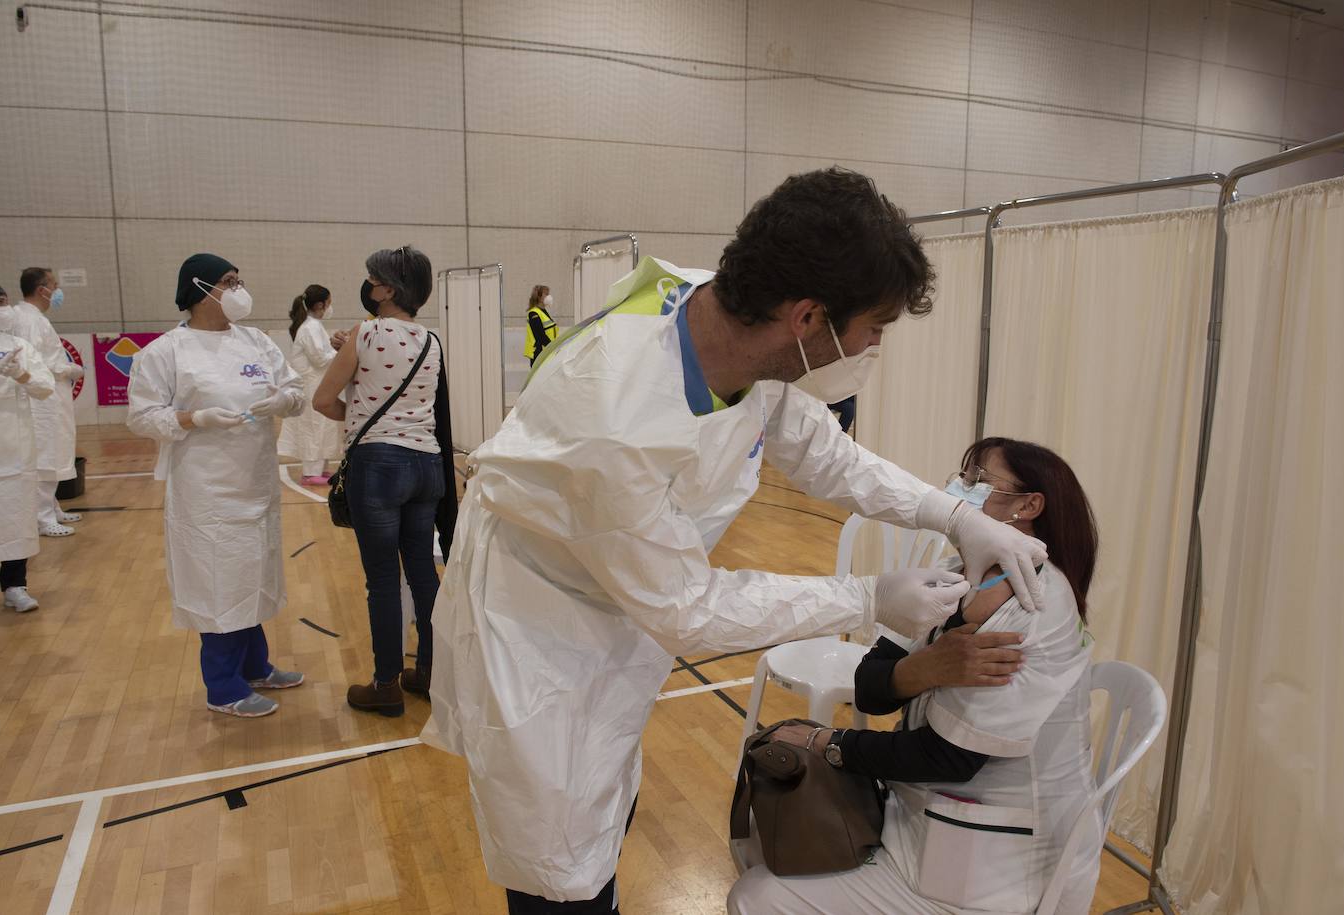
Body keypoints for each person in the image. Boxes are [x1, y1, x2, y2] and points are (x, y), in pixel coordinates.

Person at [424, 168, 1048, 911]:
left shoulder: (725, 319)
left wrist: (954, 516)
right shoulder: (615, 421)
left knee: (603, 809)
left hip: (614, 604)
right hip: (542, 631)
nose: (875, 345)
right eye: (873, 328)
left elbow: (824, 452)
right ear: (810, 318)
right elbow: (688, 606)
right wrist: (866, 595)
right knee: (558, 859)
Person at [728, 437, 1100, 915]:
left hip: (996, 869)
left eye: (976, 481)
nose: (957, 490)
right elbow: (869, 689)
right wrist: (924, 668)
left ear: (1029, 505)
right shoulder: (954, 573)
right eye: (961, 477)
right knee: (768, 844)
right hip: (925, 820)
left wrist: (829, 743)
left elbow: (950, 758)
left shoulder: (1033, 608)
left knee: (755, 898)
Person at [127, 253, 307, 718]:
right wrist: (194, 418)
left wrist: (281, 401)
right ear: (199, 287)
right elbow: (142, 416)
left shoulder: (256, 341)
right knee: (220, 581)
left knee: (253, 575)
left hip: (255, 481)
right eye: (229, 281)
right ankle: (223, 688)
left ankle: (256, 666)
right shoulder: (167, 350)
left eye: (239, 279)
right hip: (205, 490)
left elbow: (294, 390)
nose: (238, 289)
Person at [313, 246, 459, 717]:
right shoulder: (431, 340)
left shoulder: (366, 332)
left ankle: (386, 684)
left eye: (372, 279)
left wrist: (357, 420)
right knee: (422, 573)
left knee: (382, 580)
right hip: (427, 467)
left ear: (388, 290)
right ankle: (431, 674)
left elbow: (322, 399)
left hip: (379, 466)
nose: (368, 285)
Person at [0, 267, 84, 537]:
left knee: (53, 451)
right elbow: (36, 361)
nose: (57, 290)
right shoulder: (30, 320)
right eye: (54, 284)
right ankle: (42, 517)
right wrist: (68, 369)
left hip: (50, 395)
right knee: (46, 455)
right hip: (43, 400)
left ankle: (50, 507)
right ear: (42, 289)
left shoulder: (35, 318)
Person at [0, 277, 55, 613]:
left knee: (16, 514)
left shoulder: (18, 345)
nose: (5, 310)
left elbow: (44, 386)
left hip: (14, 449)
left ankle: (15, 584)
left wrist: (21, 375)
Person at [278, 284, 341, 485]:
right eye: (329, 303)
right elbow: (320, 358)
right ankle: (309, 471)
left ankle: (320, 468)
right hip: (310, 385)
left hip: (319, 383)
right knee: (312, 426)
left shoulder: (314, 326)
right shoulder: (309, 327)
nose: (331, 308)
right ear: (320, 305)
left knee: (323, 426)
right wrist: (340, 348)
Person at [524, 284, 561, 365]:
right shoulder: (534, 313)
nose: (549, 296)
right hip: (539, 353)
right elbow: (540, 336)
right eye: (546, 294)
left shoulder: (542, 311)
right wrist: (553, 347)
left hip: (546, 351)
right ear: (539, 297)